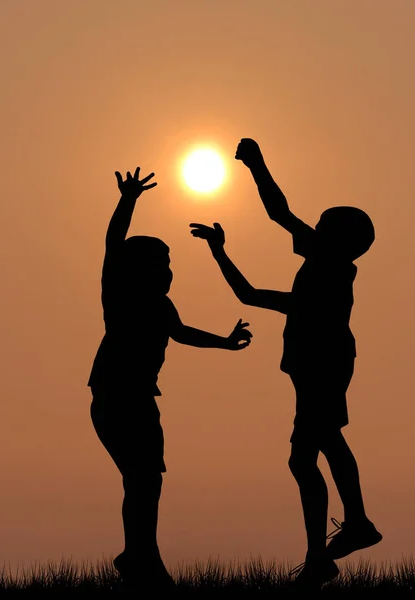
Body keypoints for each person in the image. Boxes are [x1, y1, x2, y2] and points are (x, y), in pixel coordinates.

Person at [190, 139, 381, 589]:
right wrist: (219, 252)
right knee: (323, 445)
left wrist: (256, 166)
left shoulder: (331, 270)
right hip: (317, 366)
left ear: (337, 240)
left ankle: (340, 539)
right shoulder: (323, 271)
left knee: (306, 455)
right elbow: (251, 295)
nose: (310, 229)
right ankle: (339, 538)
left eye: (320, 226)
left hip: (324, 365)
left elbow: (278, 214)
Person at [89, 167, 252, 589]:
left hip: (141, 398)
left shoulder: (161, 305)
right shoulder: (119, 293)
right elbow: (112, 245)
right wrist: (129, 199)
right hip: (115, 396)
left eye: (168, 261)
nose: (167, 268)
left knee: (145, 480)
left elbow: (182, 334)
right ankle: (142, 558)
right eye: (161, 261)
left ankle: (139, 555)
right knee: (142, 478)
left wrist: (223, 341)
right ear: (136, 268)